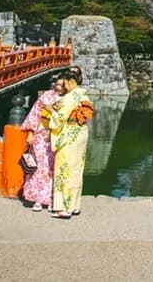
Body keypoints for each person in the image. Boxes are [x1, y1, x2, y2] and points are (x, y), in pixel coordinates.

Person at [47, 69, 93, 219]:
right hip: (81, 133)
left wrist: (51, 111)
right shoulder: (83, 95)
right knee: (76, 170)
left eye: (65, 83)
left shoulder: (70, 97)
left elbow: (60, 117)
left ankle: (64, 208)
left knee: (64, 169)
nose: (64, 86)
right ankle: (74, 206)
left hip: (69, 134)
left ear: (71, 81)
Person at [20, 76, 66, 212]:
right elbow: (35, 113)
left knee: (53, 168)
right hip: (41, 134)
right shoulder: (46, 96)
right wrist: (31, 132)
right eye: (57, 84)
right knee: (39, 167)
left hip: (56, 135)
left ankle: (52, 200)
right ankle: (37, 199)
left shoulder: (68, 99)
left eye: (62, 85)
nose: (58, 87)